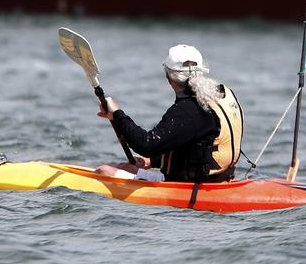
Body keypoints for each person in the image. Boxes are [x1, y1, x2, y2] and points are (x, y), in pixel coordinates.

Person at [94, 44, 244, 183]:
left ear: (168, 77)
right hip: (222, 178)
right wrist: (152, 161)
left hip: (189, 184)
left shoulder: (189, 109)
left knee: (103, 171)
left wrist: (117, 114)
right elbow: (200, 142)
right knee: (125, 167)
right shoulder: (223, 93)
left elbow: (146, 144)